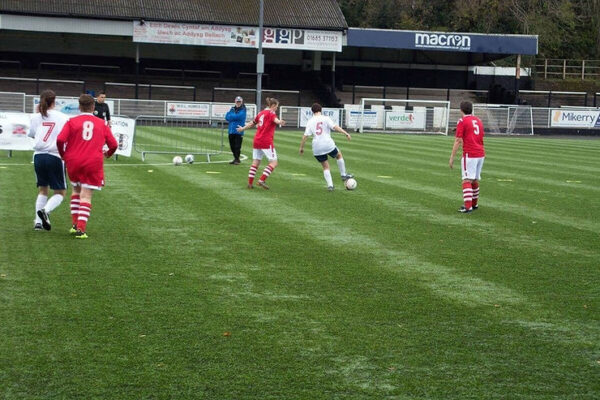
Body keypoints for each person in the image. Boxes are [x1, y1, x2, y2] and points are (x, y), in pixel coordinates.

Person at [56, 94, 118, 238]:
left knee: (76, 190)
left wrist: (63, 154)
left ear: (79, 107)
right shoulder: (101, 124)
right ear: (93, 107)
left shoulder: (71, 121)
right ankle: (81, 229)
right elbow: (114, 144)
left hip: (73, 161)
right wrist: (108, 153)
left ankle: (74, 224)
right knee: (86, 195)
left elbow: (60, 139)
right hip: (92, 161)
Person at [28, 89, 69, 231]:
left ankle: (38, 222)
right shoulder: (62, 117)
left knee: (42, 190)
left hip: (38, 156)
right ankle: (45, 211)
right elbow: (65, 137)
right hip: (55, 155)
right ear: (54, 101)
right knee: (60, 192)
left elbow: (33, 135)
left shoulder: (35, 117)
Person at [299, 103, 353, 191]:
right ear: (321, 110)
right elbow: (335, 127)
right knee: (338, 155)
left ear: (312, 112)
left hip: (316, 146)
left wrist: (301, 147)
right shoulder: (325, 118)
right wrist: (346, 133)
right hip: (327, 143)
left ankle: (330, 186)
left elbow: (305, 136)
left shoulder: (310, 121)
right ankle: (343, 174)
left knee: (325, 166)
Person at [236, 97, 286, 190]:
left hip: (257, 140)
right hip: (266, 141)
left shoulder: (260, 113)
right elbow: (276, 120)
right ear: (273, 106)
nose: (277, 109)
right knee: (274, 162)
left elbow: (252, 123)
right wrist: (280, 122)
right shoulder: (271, 113)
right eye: (277, 107)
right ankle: (261, 180)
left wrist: (242, 128)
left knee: (256, 161)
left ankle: (250, 183)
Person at [449, 101, 485, 213]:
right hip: (481, 153)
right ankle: (474, 204)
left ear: (461, 110)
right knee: (474, 179)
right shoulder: (478, 120)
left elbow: (458, 140)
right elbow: (475, 133)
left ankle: (468, 206)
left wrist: (452, 157)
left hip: (470, 154)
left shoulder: (462, 121)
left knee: (466, 180)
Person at [225, 96, 247, 164]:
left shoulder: (243, 109)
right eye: (237, 102)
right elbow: (226, 117)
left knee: (237, 146)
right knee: (232, 146)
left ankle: (237, 159)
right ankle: (236, 158)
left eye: (239, 102)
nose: (238, 103)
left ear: (241, 102)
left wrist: (232, 116)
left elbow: (238, 116)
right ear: (235, 102)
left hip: (239, 130)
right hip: (231, 130)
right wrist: (232, 116)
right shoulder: (232, 109)